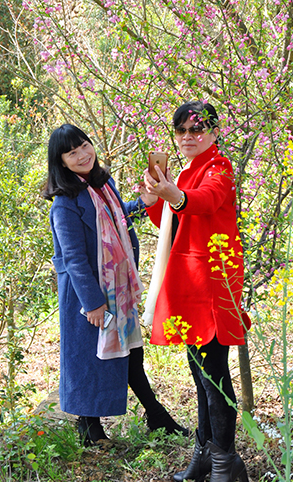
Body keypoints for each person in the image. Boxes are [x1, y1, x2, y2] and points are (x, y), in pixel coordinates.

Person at [43, 124, 187, 446]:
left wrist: (145, 201)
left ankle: (155, 416)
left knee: (130, 352)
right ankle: (90, 428)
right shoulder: (65, 203)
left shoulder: (102, 184)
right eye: (72, 152)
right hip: (89, 294)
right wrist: (93, 304)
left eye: (84, 145)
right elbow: (74, 259)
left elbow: (119, 218)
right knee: (90, 357)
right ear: (61, 162)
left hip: (117, 289)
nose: (82, 155)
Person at [140, 101, 251, 482]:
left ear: (214, 133)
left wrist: (174, 193)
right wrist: (154, 198)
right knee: (200, 372)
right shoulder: (187, 171)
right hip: (189, 280)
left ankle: (225, 463)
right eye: (182, 130)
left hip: (212, 282)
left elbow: (203, 201)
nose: (188, 136)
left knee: (214, 376)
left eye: (197, 129)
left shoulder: (219, 167)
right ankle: (205, 454)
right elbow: (173, 221)